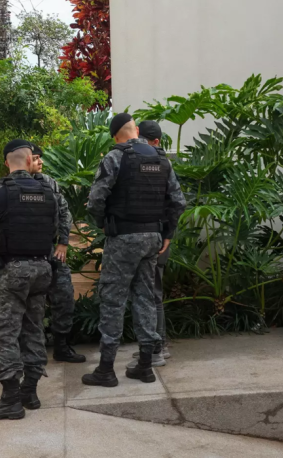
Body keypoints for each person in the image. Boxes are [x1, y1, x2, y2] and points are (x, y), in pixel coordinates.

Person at [81, 113, 186, 387]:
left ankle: (105, 370)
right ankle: (145, 365)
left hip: (123, 238)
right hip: (153, 238)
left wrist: (103, 224)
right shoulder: (161, 158)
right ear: (136, 130)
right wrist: (167, 234)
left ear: (115, 136)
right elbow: (178, 201)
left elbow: (95, 200)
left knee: (113, 301)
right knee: (145, 297)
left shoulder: (115, 157)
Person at [0, 140, 58, 420]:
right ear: (30, 160)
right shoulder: (49, 191)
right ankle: (30, 392)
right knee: (34, 330)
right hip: (42, 269)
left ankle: (10, 400)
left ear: (7, 162)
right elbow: (55, 228)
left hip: (12, 271)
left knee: (6, 334)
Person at [30, 143, 86, 364]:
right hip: (25, 256)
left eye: (41, 158)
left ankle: (62, 346)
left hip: (51, 252)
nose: (41, 162)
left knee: (64, 298)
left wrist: (63, 242)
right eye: (36, 158)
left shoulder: (49, 184)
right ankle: (34, 349)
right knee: (30, 304)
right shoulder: (7, 187)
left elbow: (64, 212)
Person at [126, 120, 172, 371]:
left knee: (152, 293)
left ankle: (158, 346)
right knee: (150, 292)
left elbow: (174, 202)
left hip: (155, 238)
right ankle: (156, 345)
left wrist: (168, 235)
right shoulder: (161, 162)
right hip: (156, 236)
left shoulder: (152, 161)